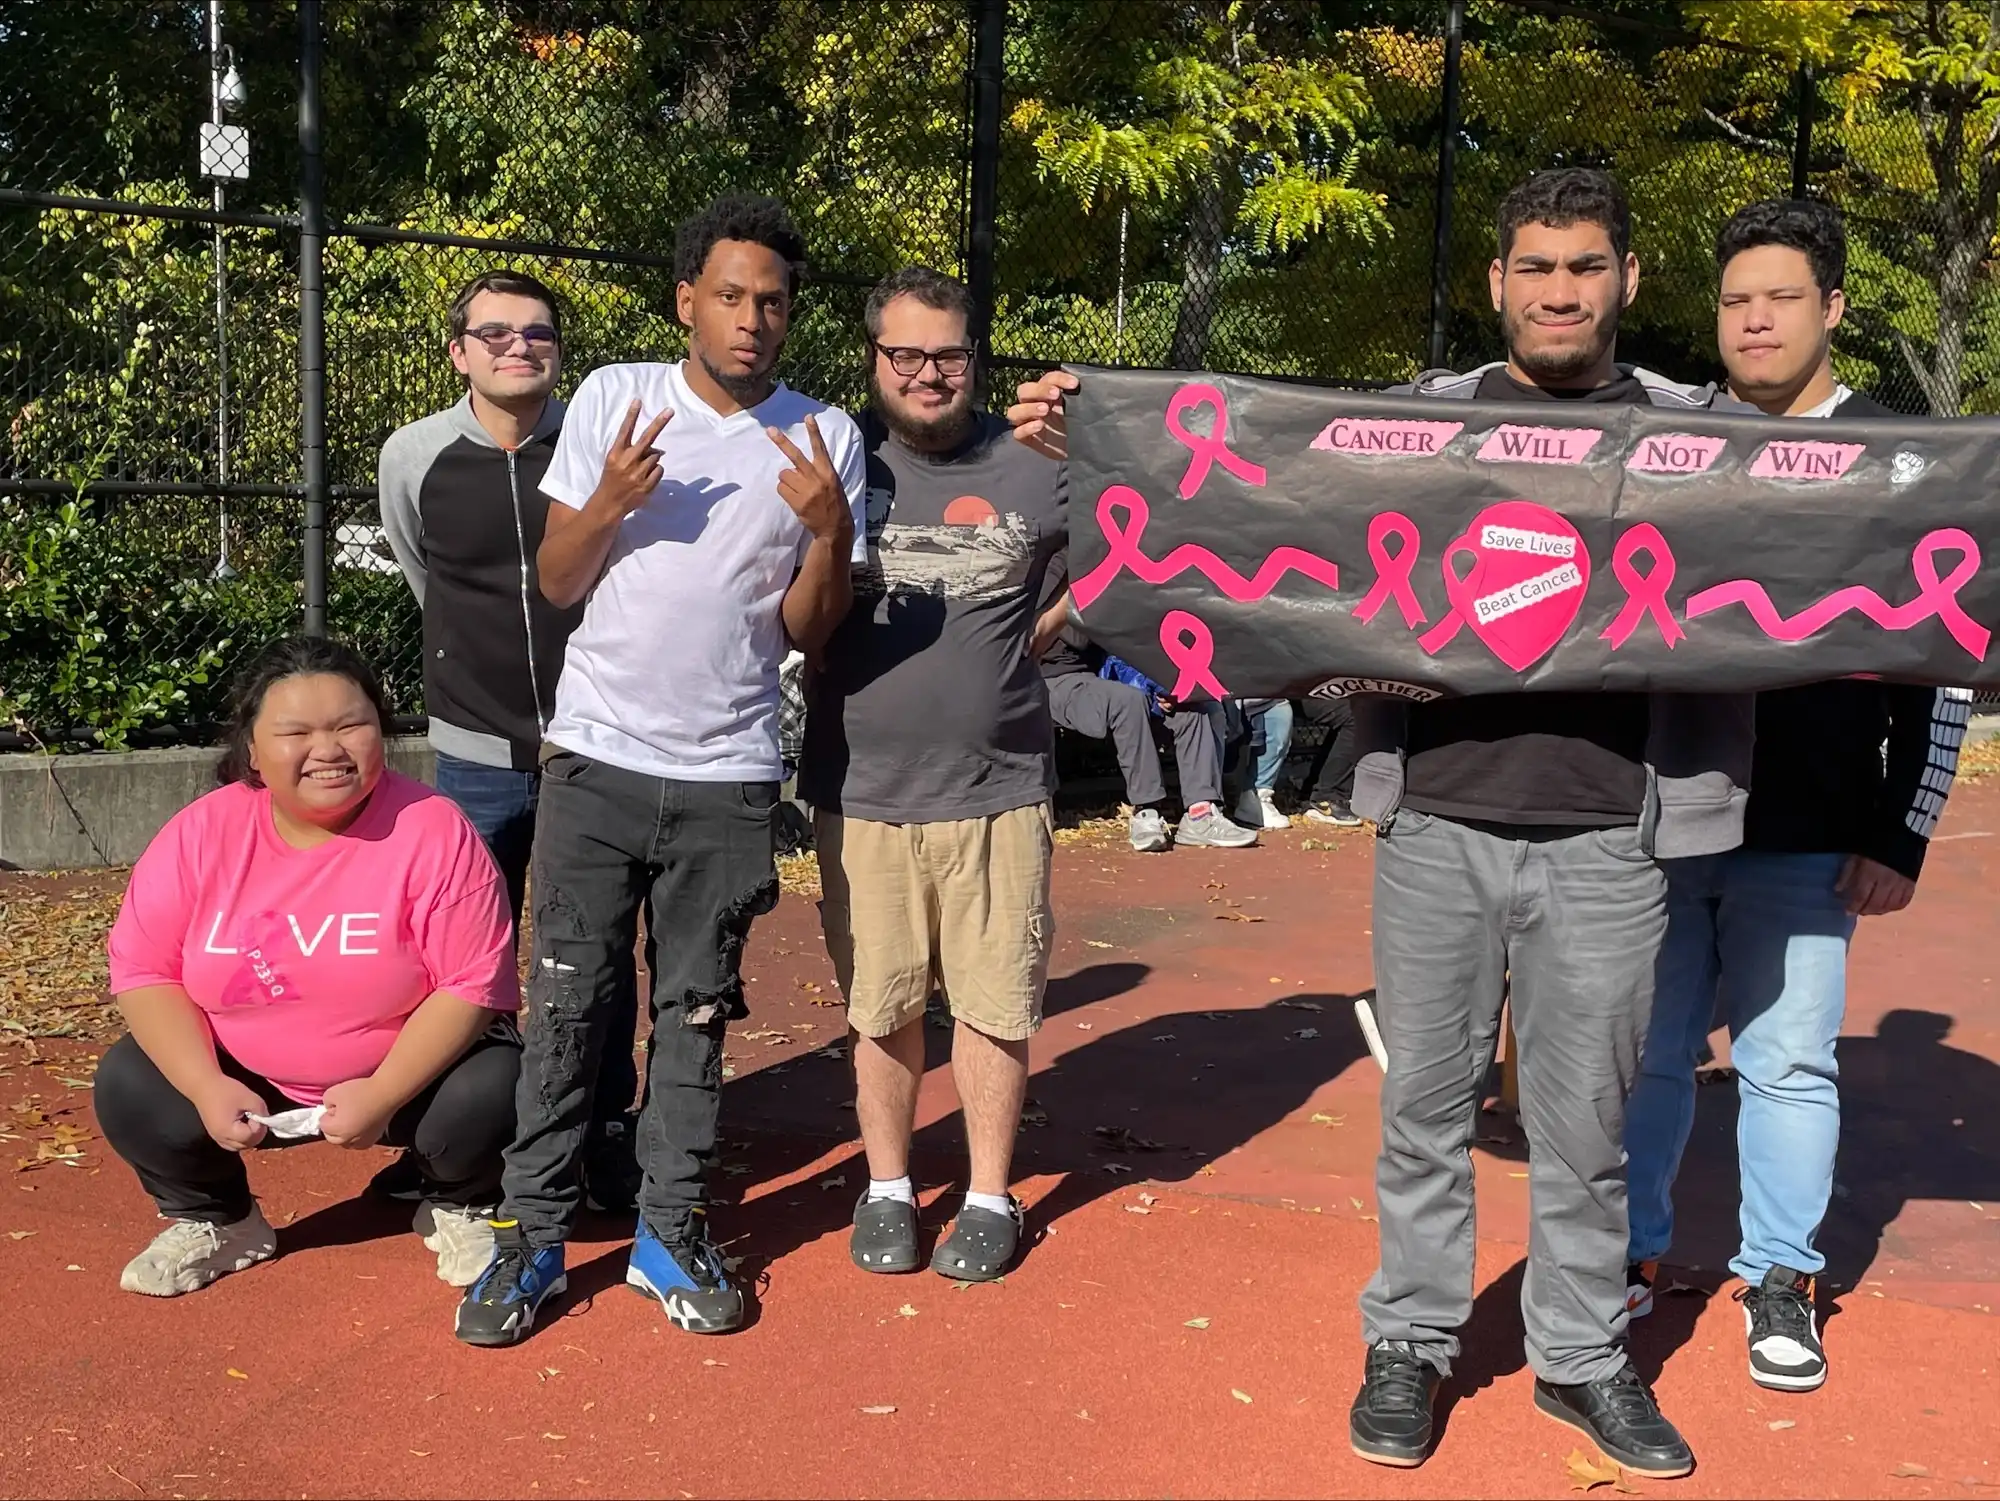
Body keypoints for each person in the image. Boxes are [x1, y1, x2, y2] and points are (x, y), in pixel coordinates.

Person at [1008, 166, 1751, 1480]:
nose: (1561, 290)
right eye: (1537, 266)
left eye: (1586, 266)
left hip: (1611, 838)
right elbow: (1250, 497)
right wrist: (1110, 443)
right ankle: (1410, 1340)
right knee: (1425, 1108)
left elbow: (1859, 504)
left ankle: (1581, 1359)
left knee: (1588, 1124)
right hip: (1438, 827)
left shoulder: (1706, 440)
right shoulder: (1418, 425)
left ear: (1629, 280)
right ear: (1498, 285)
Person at [453, 194, 868, 1346]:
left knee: (693, 1016)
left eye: (771, 301)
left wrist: (830, 535)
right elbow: (556, 580)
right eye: (730, 296)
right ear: (687, 299)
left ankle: (665, 1227)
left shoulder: (824, 435)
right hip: (595, 759)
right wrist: (609, 503)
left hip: (731, 773)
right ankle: (531, 1240)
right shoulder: (613, 397)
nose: (751, 320)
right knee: (567, 1005)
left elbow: (806, 631)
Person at [1623, 198, 1969, 1394]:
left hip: (1811, 832)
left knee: (1787, 1063)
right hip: (1660, 815)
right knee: (1648, 1053)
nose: (1751, 319)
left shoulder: (1903, 461)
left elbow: (1946, 662)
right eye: (1731, 300)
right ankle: (1627, 1254)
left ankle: (1780, 1276)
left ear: (1831, 307)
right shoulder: (1660, 445)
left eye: (1776, 296)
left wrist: (1900, 832)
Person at [96, 636, 522, 1298]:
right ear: (254, 753)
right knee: (130, 1078)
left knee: (499, 1082)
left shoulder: (434, 827)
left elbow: (473, 984)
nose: (328, 748)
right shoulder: (201, 832)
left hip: (404, 1083)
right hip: (249, 1082)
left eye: (351, 724)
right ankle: (220, 1221)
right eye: (296, 731)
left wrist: (382, 1094)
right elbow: (145, 970)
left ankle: (458, 1202)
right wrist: (207, 1085)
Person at [800, 265, 1069, 1281]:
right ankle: (885, 1185)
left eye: (947, 354)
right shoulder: (838, 460)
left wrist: (1054, 621)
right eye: (904, 353)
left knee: (996, 1004)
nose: (926, 373)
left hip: (999, 786)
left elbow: (1134, 543)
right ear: (874, 358)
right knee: (881, 1002)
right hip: (859, 787)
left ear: (973, 360)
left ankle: (990, 1193)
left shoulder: (1038, 462)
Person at [378, 268, 642, 1215]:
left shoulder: (598, 448)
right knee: (463, 966)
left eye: (537, 333)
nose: (517, 347)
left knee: (595, 951)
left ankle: (606, 1133)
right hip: (473, 757)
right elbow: (425, 573)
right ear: (458, 352)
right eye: (494, 333)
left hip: (594, 751)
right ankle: (457, 1143)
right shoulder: (412, 456)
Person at [1035, 580, 1258, 851]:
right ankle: (1146, 811)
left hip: (1120, 678)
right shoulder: (1057, 570)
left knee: (1197, 703)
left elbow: (1136, 651)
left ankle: (1200, 814)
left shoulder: (1131, 579)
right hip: (1057, 678)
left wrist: (1163, 689)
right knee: (1127, 700)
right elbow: (1083, 634)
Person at [1233, 698, 1294, 830]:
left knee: (1280, 710)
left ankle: (1257, 797)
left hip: (1260, 697)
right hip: (1218, 700)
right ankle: (1205, 806)